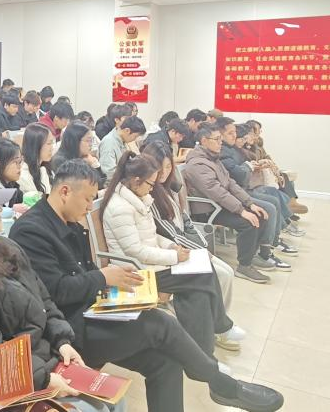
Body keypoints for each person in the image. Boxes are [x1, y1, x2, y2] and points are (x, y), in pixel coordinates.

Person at [9, 159, 282, 412]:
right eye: (88, 199)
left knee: (165, 362)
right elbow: (54, 292)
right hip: (68, 332)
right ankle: (220, 383)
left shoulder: (67, 221)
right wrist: (103, 278)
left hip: (90, 311)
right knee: (160, 323)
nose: (90, 206)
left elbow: (83, 274)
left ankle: (215, 376)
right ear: (65, 191)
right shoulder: (31, 231)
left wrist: (116, 291)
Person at [0, 175, 123, 412]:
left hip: (43, 357)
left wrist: (62, 341)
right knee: (95, 408)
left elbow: (43, 299)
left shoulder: (5, 247)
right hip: (14, 376)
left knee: (115, 399)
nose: (0, 209)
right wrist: (44, 378)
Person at [100, 151, 239, 357]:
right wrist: (175, 257)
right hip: (136, 272)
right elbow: (135, 250)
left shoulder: (137, 198)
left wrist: (171, 246)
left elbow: (152, 236)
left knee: (199, 283)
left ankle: (203, 352)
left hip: (151, 264)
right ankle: (216, 335)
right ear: (136, 181)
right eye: (150, 184)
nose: (153, 188)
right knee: (200, 277)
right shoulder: (120, 208)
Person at [183, 123, 272, 284]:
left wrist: (250, 203)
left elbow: (230, 183)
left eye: (220, 139)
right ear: (204, 141)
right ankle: (244, 266)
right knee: (249, 223)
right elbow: (217, 192)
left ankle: (251, 256)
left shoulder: (213, 158)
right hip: (208, 210)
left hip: (220, 205)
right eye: (217, 139)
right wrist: (241, 210)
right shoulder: (197, 164)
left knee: (260, 213)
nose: (220, 143)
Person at [217, 118, 294, 267]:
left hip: (240, 190)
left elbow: (234, 178)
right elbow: (235, 177)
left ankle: (272, 243)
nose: (236, 136)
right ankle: (265, 252)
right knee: (269, 206)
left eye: (235, 133)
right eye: (231, 133)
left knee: (274, 199)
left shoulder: (234, 149)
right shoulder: (222, 153)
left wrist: (251, 166)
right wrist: (249, 167)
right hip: (236, 194)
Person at [18, 122, 55, 196]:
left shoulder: (44, 168)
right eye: (49, 143)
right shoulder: (23, 174)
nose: (52, 148)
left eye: (53, 143)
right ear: (35, 145)